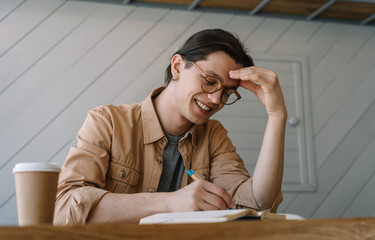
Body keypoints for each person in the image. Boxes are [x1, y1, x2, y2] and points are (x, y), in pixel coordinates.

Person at [54, 29, 287, 225]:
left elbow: (256, 205)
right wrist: (169, 203)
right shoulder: (108, 121)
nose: (217, 100)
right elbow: (63, 207)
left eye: (227, 92)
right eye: (209, 81)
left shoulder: (214, 136)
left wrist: (277, 116)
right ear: (177, 66)